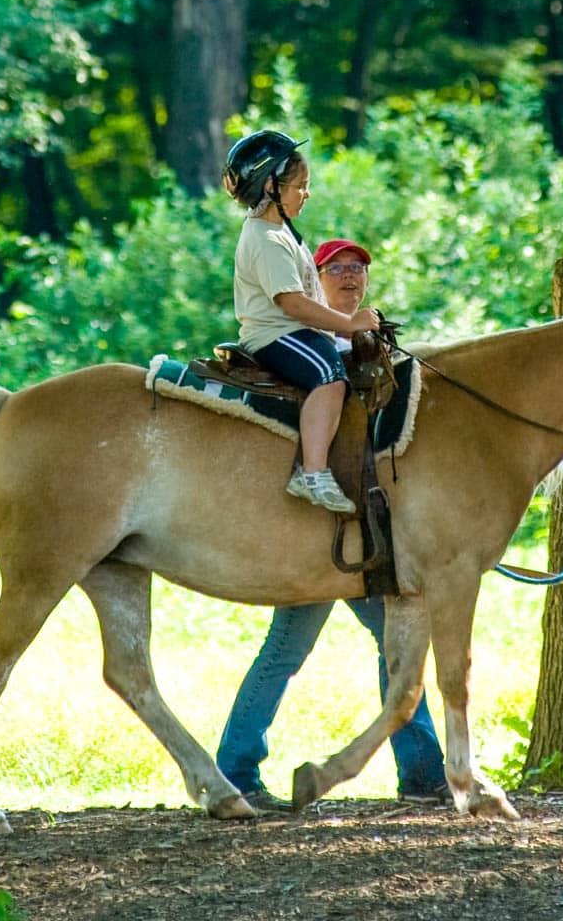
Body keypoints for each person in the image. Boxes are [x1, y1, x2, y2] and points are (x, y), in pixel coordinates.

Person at [214, 236, 449, 808]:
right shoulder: (313, 351)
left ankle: (419, 774)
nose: (349, 277)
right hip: (319, 532)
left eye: (358, 269)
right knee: (322, 647)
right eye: (336, 269)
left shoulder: (367, 351)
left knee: (381, 639)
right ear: (314, 280)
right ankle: (420, 774)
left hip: (357, 532)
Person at [223, 130, 378, 514]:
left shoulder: (281, 232)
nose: (306, 194)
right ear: (272, 186)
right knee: (329, 373)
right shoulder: (266, 239)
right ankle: (312, 473)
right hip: (275, 334)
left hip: (292, 330)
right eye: (300, 186)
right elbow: (293, 305)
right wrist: (349, 322)